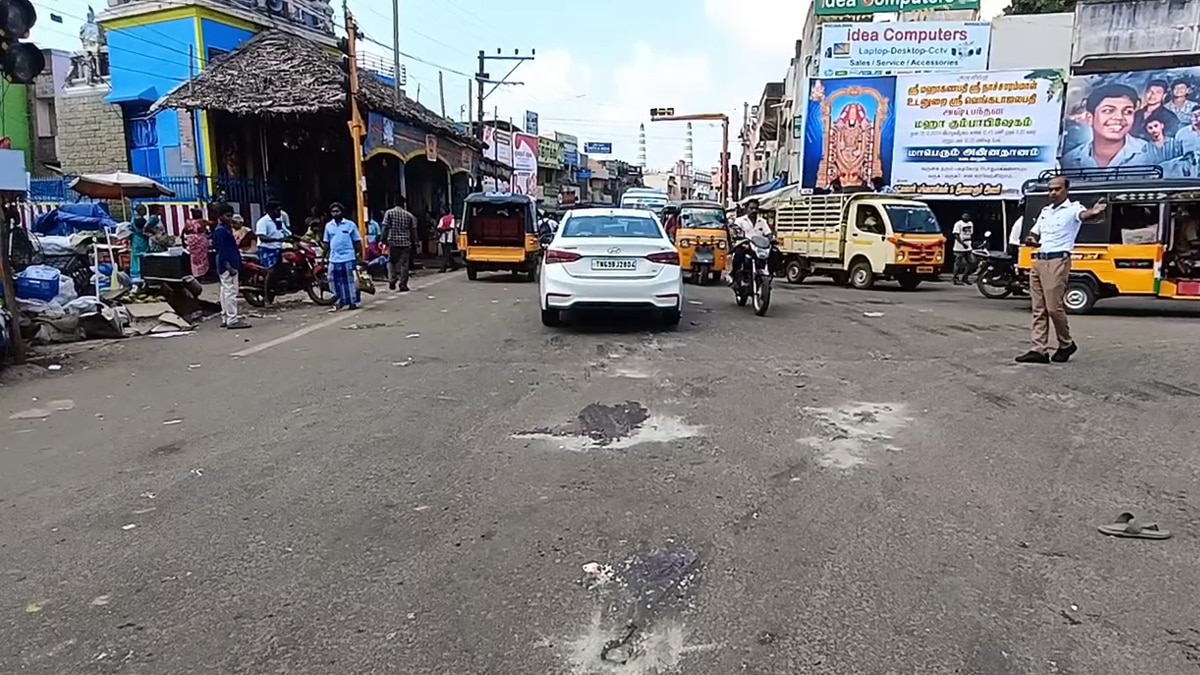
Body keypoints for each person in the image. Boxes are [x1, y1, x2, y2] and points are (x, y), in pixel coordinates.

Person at [1015, 177, 1107, 364]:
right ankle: (1039, 349)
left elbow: (1085, 216)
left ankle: (1066, 343)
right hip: (1039, 259)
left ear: (1066, 190)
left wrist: (1095, 212)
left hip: (1058, 260)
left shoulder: (1074, 209)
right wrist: (1031, 238)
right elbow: (1035, 232)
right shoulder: (1046, 212)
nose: (1052, 193)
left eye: (1057, 189)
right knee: (1038, 308)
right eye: (1050, 190)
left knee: (1053, 308)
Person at [1062, 84, 1156, 169]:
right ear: (1090, 118)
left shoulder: (1152, 153)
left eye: (1128, 112)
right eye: (1108, 111)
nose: (1119, 117)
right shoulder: (1069, 160)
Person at [211, 203, 250, 329]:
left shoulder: (223, 229)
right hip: (227, 264)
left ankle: (226, 317)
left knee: (225, 291)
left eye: (231, 216)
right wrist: (229, 267)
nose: (230, 218)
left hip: (225, 264)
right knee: (230, 292)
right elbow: (223, 251)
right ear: (221, 216)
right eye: (227, 216)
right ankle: (232, 319)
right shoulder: (222, 231)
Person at [323, 202, 362, 310]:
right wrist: (323, 256)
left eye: (337, 211)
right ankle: (341, 299)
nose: (335, 214)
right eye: (333, 212)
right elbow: (326, 242)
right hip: (334, 258)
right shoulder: (328, 226)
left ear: (342, 212)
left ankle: (352, 302)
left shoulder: (350, 225)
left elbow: (357, 241)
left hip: (348, 256)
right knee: (333, 279)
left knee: (350, 280)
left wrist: (359, 255)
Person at [730, 199, 777, 282]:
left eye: (756, 209)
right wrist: (738, 236)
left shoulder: (762, 222)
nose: (754, 211)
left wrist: (772, 239)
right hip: (745, 245)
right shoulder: (740, 221)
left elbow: (768, 233)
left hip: (759, 247)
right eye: (751, 208)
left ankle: (771, 273)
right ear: (746, 209)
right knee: (738, 254)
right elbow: (735, 231)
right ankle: (734, 275)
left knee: (775, 252)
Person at [381, 196, 418, 292]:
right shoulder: (409, 215)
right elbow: (413, 230)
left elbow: (385, 227)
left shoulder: (389, 213)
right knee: (404, 264)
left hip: (392, 242)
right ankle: (403, 284)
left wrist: (382, 239)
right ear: (403, 204)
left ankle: (392, 279)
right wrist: (416, 241)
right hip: (406, 243)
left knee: (391, 261)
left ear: (394, 202)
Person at [182, 207, 211, 280]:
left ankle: (195, 274)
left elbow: (183, 232)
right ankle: (202, 275)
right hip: (200, 240)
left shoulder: (188, 221)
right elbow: (212, 223)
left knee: (194, 258)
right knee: (202, 258)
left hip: (191, 241)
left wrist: (183, 242)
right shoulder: (202, 221)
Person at [951, 212, 975, 285]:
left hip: (968, 246)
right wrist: (962, 244)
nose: (966, 217)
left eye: (967, 215)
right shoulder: (958, 224)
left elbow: (971, 234)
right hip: (959, 247)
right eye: (964, 215)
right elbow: (956, 235)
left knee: (972, 262)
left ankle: (965, 277)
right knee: (958, 263)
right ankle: (955, 278)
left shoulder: (970, 223)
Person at [436, 206, 459, 272]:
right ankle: (454, 265)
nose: (441, 212)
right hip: (443, 237)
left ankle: (443, 267)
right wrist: (441, 230)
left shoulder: (452, 218)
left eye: (442, 210)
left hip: (449, 237)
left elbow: (451, 227)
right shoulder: (442, 219)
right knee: (446, 253)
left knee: (447, 253)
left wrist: (443, 229)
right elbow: (439, 227)